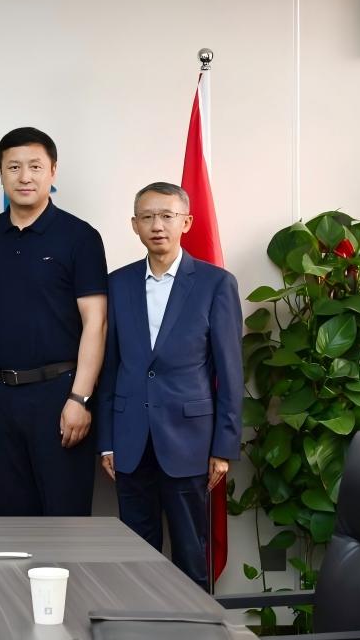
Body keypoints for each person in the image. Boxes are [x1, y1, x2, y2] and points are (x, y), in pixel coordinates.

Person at [96, 182, 242, 590]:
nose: (157, 225)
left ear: (186, 222)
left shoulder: (216, 283)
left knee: (191, 554)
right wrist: (106, 441)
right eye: (147, 217)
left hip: (190, 441)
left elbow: (230, 372)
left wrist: (223, 448)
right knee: (136, 557)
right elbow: (110, 367)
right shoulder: (117, 283)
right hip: (130, 439)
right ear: (134, 225)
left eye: (167, 216)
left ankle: (196, 622)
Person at [0, 127, 108, 517]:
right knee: (11, 518)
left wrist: (80, 398)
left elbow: (96, 323)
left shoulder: (80, 237)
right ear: (0, 173)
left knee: (65, 518)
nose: (24, 176)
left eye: (35, 166)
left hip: (60, 394)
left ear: (53, 171)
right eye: (14, 167)